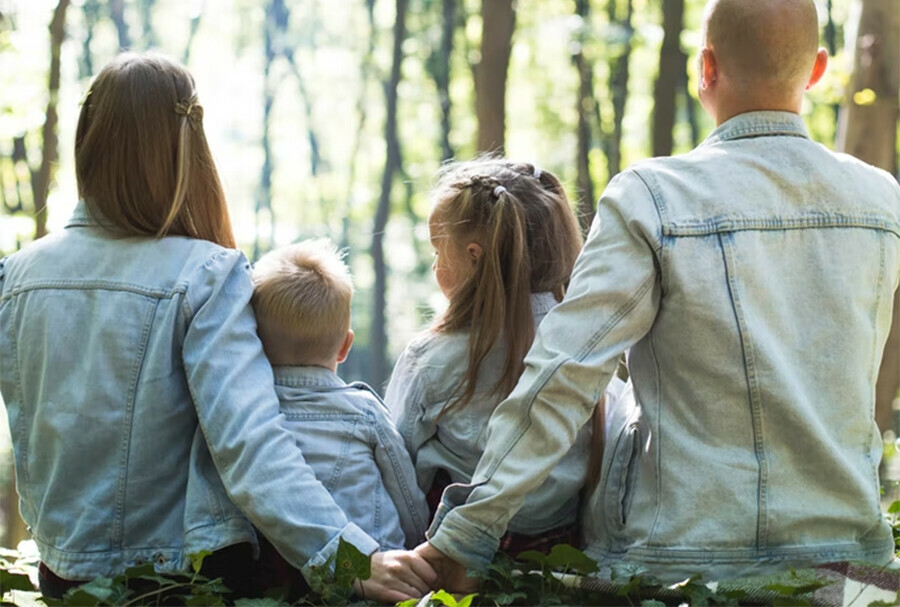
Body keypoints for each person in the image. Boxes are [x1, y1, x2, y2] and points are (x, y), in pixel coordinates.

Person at [415, 0, 900, 589]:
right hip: (847, 561)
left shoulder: (652, 197)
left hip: (678, 561)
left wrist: (467, 534)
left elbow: (564, 373)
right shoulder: (882, 202)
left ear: (706, 68)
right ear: (819, 70)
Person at [0, 52, 435, 602]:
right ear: (187, 149)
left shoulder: (14, 276)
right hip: (175, 583)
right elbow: (250, 444)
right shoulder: (206, 274)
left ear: (88, 138)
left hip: (62, 579)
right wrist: (349, 558)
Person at [384, 158, 625, 555]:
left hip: (449, 555)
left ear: (474, 256)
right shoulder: (590, 350)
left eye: (438, 251)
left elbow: (396, 464)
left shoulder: (431, 357)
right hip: (558, 553)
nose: (434, 265)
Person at [248, 239, 430, 596]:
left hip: (282, 583)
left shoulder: (249, 416)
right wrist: (415, 545)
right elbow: (407, 496)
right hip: (376, 574)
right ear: (345, 346)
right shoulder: (363, 411)